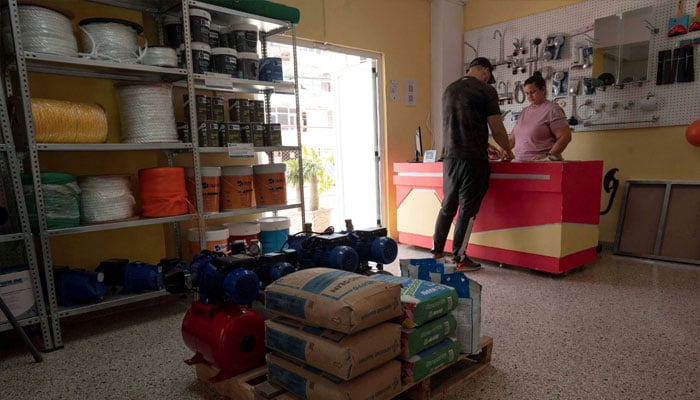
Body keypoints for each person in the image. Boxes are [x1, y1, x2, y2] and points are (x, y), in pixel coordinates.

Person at [431, 57, 513, 271]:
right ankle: (459, 258)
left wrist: (485, 144)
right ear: (485, 72)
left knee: (448, 206)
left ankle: (437, 252)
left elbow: (462, 126)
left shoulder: (449, 90)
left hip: (449, 157)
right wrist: (507, 149)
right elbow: (496, 126)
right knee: (467, 209)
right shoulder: (485, 90)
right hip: (472, 160)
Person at [509, 71, 572, 161]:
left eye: (533, 92)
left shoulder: (552, 110)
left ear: (543, 90)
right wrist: (502, 151)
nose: (529, 96)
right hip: (521, 165)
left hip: (542, 165)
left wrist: (548, 156)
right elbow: (512, 139)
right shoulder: (524, 112)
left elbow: (565, 137)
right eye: (527, 93)